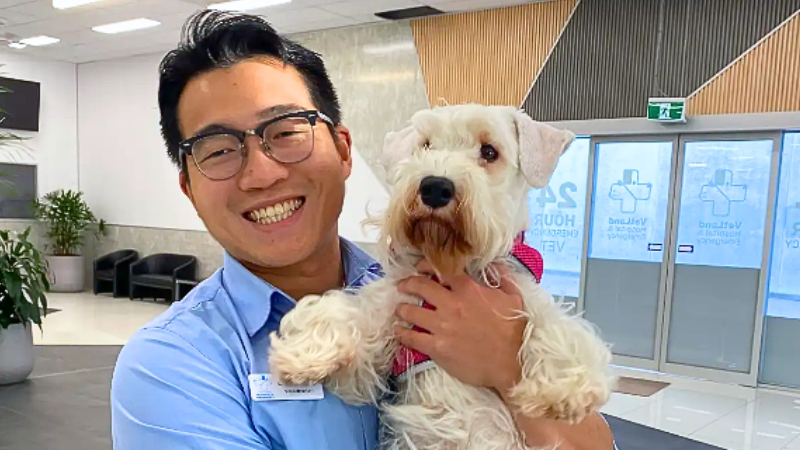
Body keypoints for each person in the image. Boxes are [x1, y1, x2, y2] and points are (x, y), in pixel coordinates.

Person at [110, 10, 615, 450]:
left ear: (345, 150)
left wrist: (506, 366)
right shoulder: (172, 366)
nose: (261, 173)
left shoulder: (397, 286)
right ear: (188, 185)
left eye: (286, 133)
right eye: (219, 149)